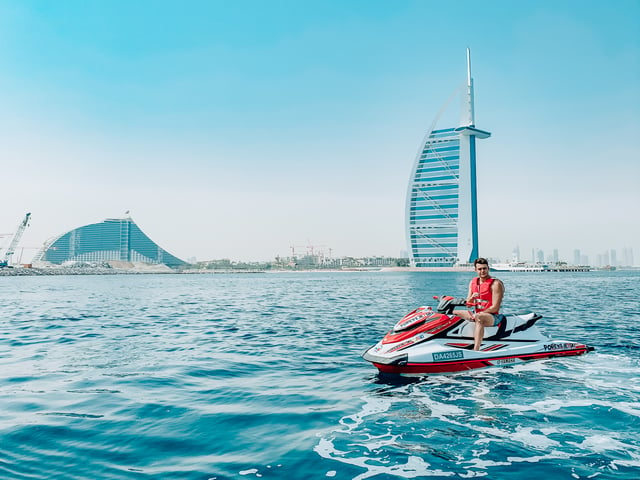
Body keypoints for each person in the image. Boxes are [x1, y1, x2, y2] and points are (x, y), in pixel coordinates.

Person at [454, 258, 505, 351]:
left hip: (494, 316)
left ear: (488, 268)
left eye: (484, 268)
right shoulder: (473, 282)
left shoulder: (495, 284)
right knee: (453, 312)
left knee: (479, 317)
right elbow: (469, 304)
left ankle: (476, 349)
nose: (482, 271)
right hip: (477, 313)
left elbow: (495, 308)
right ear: (475, 270)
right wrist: (472, 298)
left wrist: (477, 314)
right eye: (480, 269)